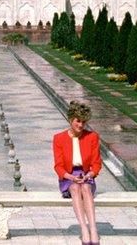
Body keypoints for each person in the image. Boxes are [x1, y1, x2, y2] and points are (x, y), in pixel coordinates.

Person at [53, 101, 101, 244]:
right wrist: (71, 177)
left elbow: (97, 164)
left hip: (86, 175)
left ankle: (93, 229)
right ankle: (84, 230)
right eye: (78, 121)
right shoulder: (59, 138)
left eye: (83, 122)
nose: (81, 125)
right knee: (74, 188)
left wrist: (89, 175)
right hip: (68, 177)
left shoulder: (92, 137)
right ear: (71, 120)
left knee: (85, 187)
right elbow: (58, 166)